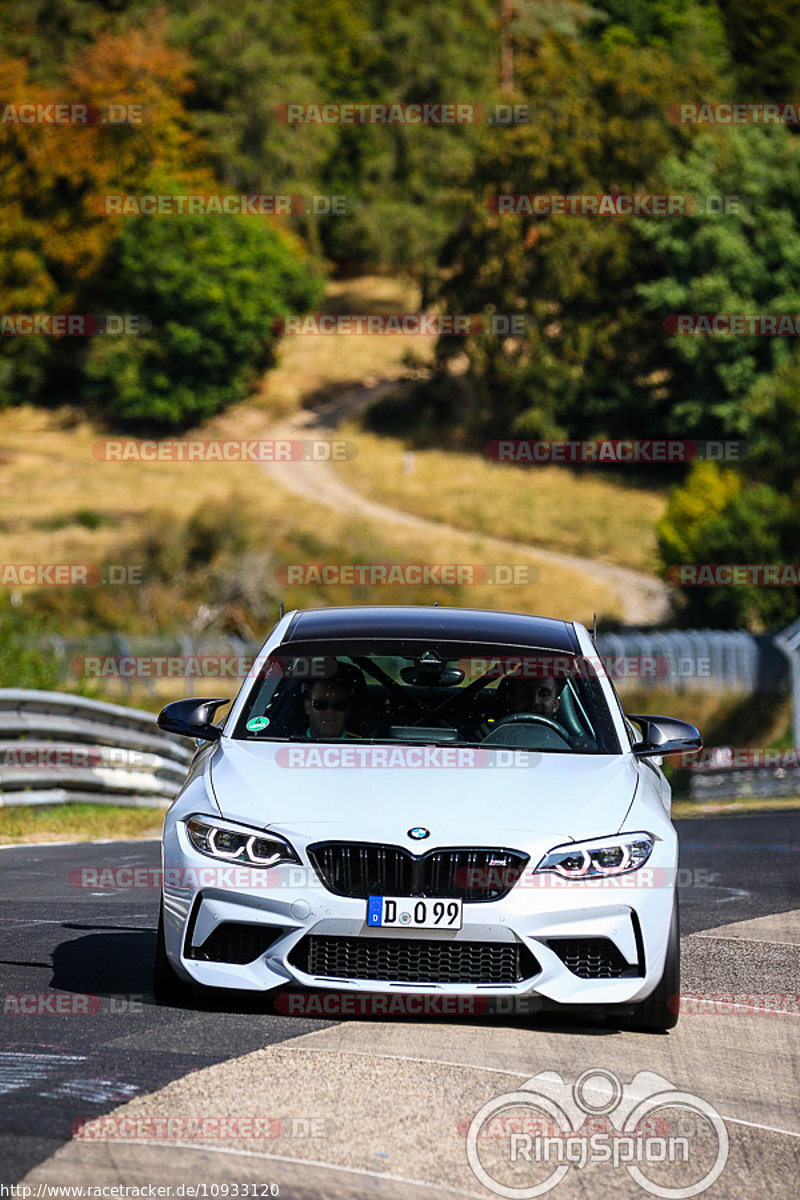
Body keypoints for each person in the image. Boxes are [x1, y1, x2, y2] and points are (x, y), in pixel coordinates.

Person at [303, 670, 360, 740]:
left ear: (348, 709)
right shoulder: (288, 744)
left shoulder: (365, 748)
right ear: (307, 707)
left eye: (338, 705)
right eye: (321, 704)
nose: (330, 711)